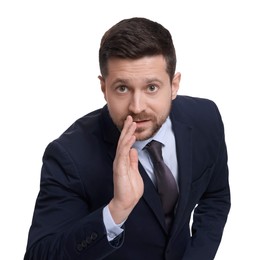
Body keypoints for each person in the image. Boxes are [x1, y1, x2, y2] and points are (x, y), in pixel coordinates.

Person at [24, 17, 231, 260]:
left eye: (151, 87)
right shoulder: (69, 156)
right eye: (122, 88)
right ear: (104, 88)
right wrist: (116, 211)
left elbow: (215, 197)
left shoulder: (205, 118)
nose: (137, 106)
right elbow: (39, 255)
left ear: (174, 85)